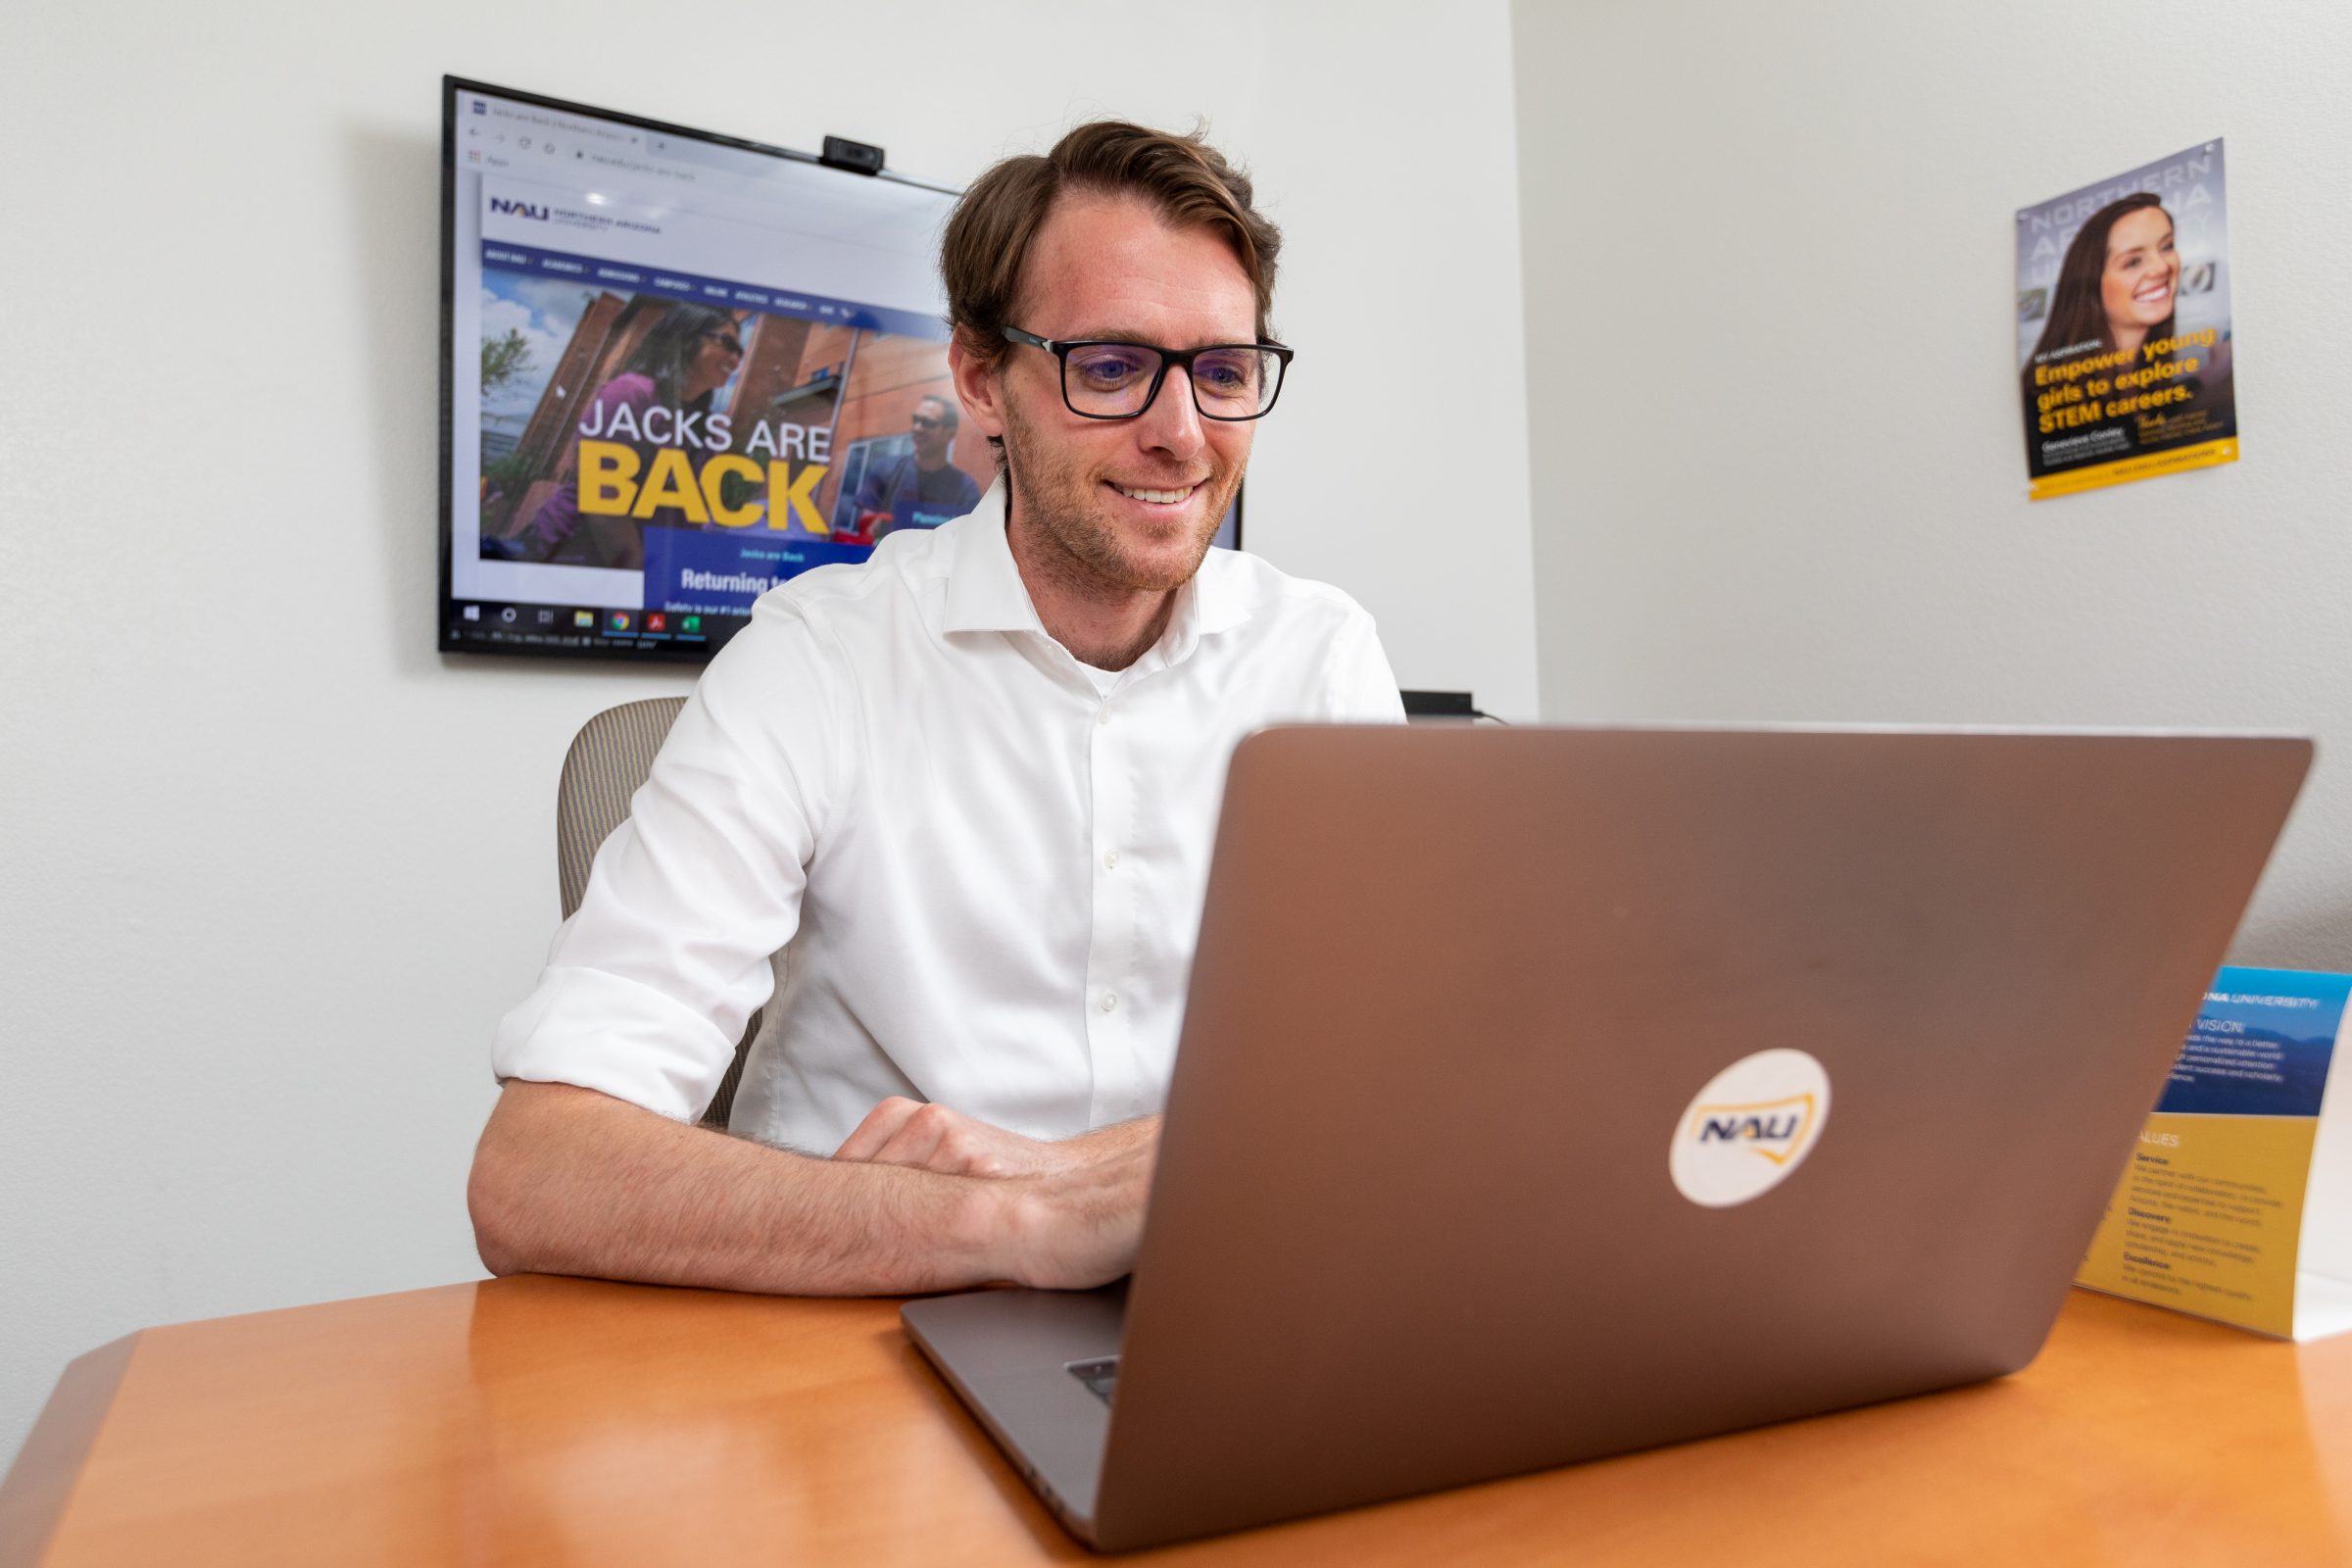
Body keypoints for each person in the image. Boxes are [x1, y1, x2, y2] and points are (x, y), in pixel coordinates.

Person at [466, 122, 1404, 1297]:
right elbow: (540, 1172)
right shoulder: (815, 660)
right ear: (978, 379)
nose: (1182, 434)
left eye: (1222, 371)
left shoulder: (1319, 658)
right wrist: (1014, 1225)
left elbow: (1396, 1084)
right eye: (1110, 365)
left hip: (1225, 1308)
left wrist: (1101, 1177)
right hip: (860, 1347)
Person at [520, 303, 745, 568]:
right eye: (727, 343)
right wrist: (645, 580)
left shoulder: (700, 424)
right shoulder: (630, 393)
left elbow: (689, 512)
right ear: (685, 337)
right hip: (567, 562)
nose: (735, 359)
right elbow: (605, 507)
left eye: (740, 351)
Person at [848, 394, 984, 540]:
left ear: (949, 434)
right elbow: (866, 527)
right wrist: (874, 526)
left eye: (928, 422)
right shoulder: (885, 469)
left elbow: (967, 539)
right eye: (916, 420)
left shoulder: (965, 488)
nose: (917, 428)